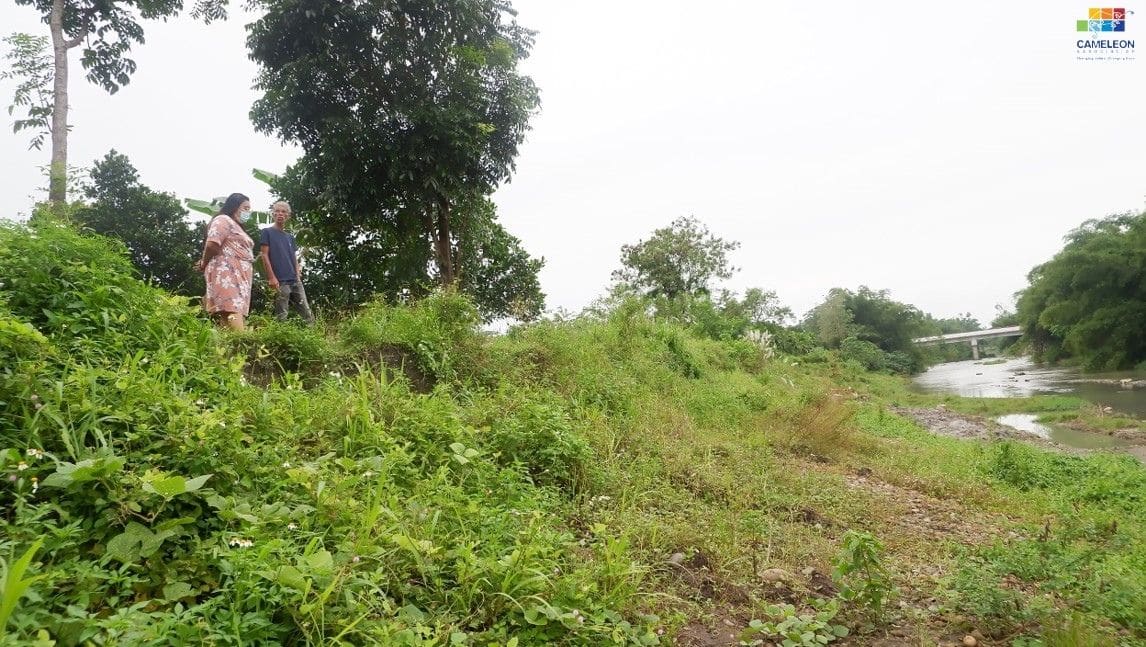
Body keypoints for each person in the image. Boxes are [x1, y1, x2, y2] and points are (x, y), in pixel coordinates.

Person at [195, 193, 254, 330]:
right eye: (245, 208)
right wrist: (204, 263)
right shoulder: (223, 220)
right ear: (234, 206)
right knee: (232, 307)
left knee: (228, 313)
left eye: (249, 209)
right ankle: (242, 345)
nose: (248, 212)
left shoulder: (238, 226)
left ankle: (228, 348)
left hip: (241, 274)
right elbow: (212, 245)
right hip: (227, 271)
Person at [259, 200, 315, 324]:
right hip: (280, 280)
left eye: (283, 212)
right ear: (273, 214)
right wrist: (271, 277)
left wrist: (297, 274)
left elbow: (294, 257)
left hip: (294, 279)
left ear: (288, 216)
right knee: (282, 314)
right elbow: (264, 255)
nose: (280, 214)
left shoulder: (289, 237)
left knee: (306, 312)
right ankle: (280, 340)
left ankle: (314, 337)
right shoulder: (267, 232)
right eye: (277, 211)